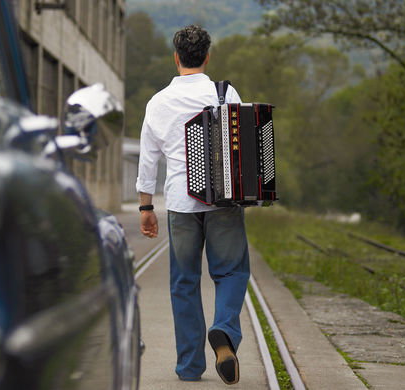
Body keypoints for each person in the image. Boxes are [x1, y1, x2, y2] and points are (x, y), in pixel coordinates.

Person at [136, 24, 250, 385]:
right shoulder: (225, 93)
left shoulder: (157, 102)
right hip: (223, 202)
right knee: (231, 271)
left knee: (184, 283)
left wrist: (145, 208)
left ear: (176, 56)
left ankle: (189, 367)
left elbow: (148, 160)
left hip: (181, 205)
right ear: (207, 56)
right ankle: (225, 332)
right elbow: (243, 142)